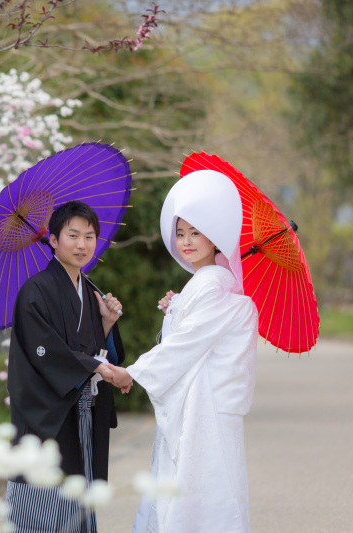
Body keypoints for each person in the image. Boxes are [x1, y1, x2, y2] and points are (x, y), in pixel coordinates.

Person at [109, 170, 259, 533]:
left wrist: (134, 371)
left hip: (202, 406)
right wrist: (176, 309)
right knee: (196, 486)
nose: (186, 241)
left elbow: (186, 344)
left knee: (201, 487)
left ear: (215, 236)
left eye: (195, 232)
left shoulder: (210, 285)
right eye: (180, 233)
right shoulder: (207, 283)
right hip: (199, 403)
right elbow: (189, 336)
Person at [5, 200, 128, 533]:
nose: (82, 244)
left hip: (83, 414)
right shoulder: (35, 291)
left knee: (79, 500)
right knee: (46, 504)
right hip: (48, 416)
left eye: (89, 236)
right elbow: (46, 352)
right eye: (72, 235)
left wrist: (105, 323)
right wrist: (97, 368)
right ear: (54, 241)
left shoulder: (89, 293)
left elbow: (90, 348)